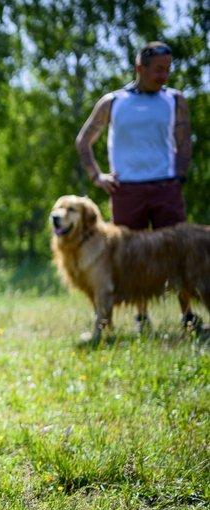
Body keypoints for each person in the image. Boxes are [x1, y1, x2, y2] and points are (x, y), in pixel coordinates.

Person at [75, 41, 197, 329]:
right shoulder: (113, 102)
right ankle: (141, 316)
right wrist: (97, 176)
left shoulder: (175, 100)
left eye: (168, 69)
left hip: (165, 188)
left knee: (179, 252)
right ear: (140, 68)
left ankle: (188, 315)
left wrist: (179, 177)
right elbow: (84, 140)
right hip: (126, 190)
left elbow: (184, 142)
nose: (164, 75)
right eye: (158, 70)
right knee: (131, 257)